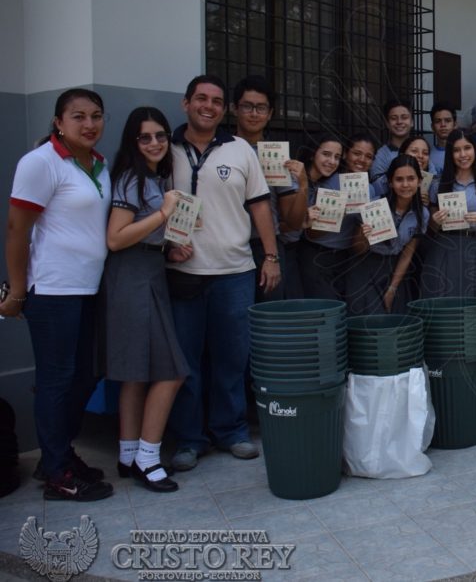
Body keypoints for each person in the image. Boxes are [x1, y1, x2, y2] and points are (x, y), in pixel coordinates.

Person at [2, 88, 113, 501]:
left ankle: (58, 454)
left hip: (89, 287)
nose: (89, 125)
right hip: (52, 289)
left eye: (96, 116)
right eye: (78, 116)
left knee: (86, 376)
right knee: (57, 379)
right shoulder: (41, 162)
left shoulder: (100, 165)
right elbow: (17, 230)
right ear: (58, 122)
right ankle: (56, 474)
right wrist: (16, 291)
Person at [166, 75, 281, 472]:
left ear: (224, 109)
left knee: (232, 358)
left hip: (234, 270)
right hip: (182, 270)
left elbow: (261, 206)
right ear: (186, 103)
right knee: (186, 360)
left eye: (216, 100)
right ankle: (189, 439)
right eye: (201, 98)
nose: (208, 106)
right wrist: (165, 245)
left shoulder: (240, 151)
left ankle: (231, 431)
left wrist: (270, 256)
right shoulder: (167, 149)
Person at [102, 107, 188, 492]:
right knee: (171, 372)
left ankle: (127, 452)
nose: (155, 143)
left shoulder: (151, 177)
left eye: (160, 135)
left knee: (136, 374)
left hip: (148, 271)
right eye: (145, 137)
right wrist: (164, 214)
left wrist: (169, 247)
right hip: (132, 277)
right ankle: (148, 458)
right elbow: (116, 238)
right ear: (133, 142)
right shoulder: (131, 179)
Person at [425, 130, 476, 400]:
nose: (463, 154)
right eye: (457, 149)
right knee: (450, 312)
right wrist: (435, 219)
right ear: (450, 153)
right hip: (447, 249)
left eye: (467, 148)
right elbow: (431, 228)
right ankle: (453, 372)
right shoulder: (439, 184)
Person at [231, 75, 305, 303]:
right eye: (247, 106)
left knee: (269, 323)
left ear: (270, 113)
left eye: (261, 108)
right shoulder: (222, 149)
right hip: (228, 248)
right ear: (234, 109)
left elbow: (292, 221)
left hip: (266, 249)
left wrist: (303, 185)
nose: (254, 113)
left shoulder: (275, 156)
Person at [349, 155, 429, 315]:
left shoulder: (422, 214)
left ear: (419, 181)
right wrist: (363, 234)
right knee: (370, 320)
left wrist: (393, 288)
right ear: (390, 183)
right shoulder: (374, 206)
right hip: (367, 266)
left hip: (395, 269)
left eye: (411, 178)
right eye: (399, 179)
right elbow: (357, 249)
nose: (405, 185)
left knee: (396, 318)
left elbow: (408, 253)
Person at [297, 134, 355, 301]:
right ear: (312, 153)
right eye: (326, 154)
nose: (332, 161)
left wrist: (334, 215)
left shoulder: (323, 183)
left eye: (337, 157)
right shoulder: (297, 178)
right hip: (299, 252)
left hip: (316, 253)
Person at [371, 100, 414, 181]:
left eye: (404, 117)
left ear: (412, 122)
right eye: (394, 118)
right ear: (387, 123)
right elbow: (377, 186)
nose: (399, 122)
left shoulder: (421, 151)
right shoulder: (381, 155)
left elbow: (433, 180)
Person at [428, 102, 457, 174]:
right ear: (432, 127)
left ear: (455, 125)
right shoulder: (426, 155)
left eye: (447, 120)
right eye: (438, 121)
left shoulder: (469, 151)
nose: (443, 125)